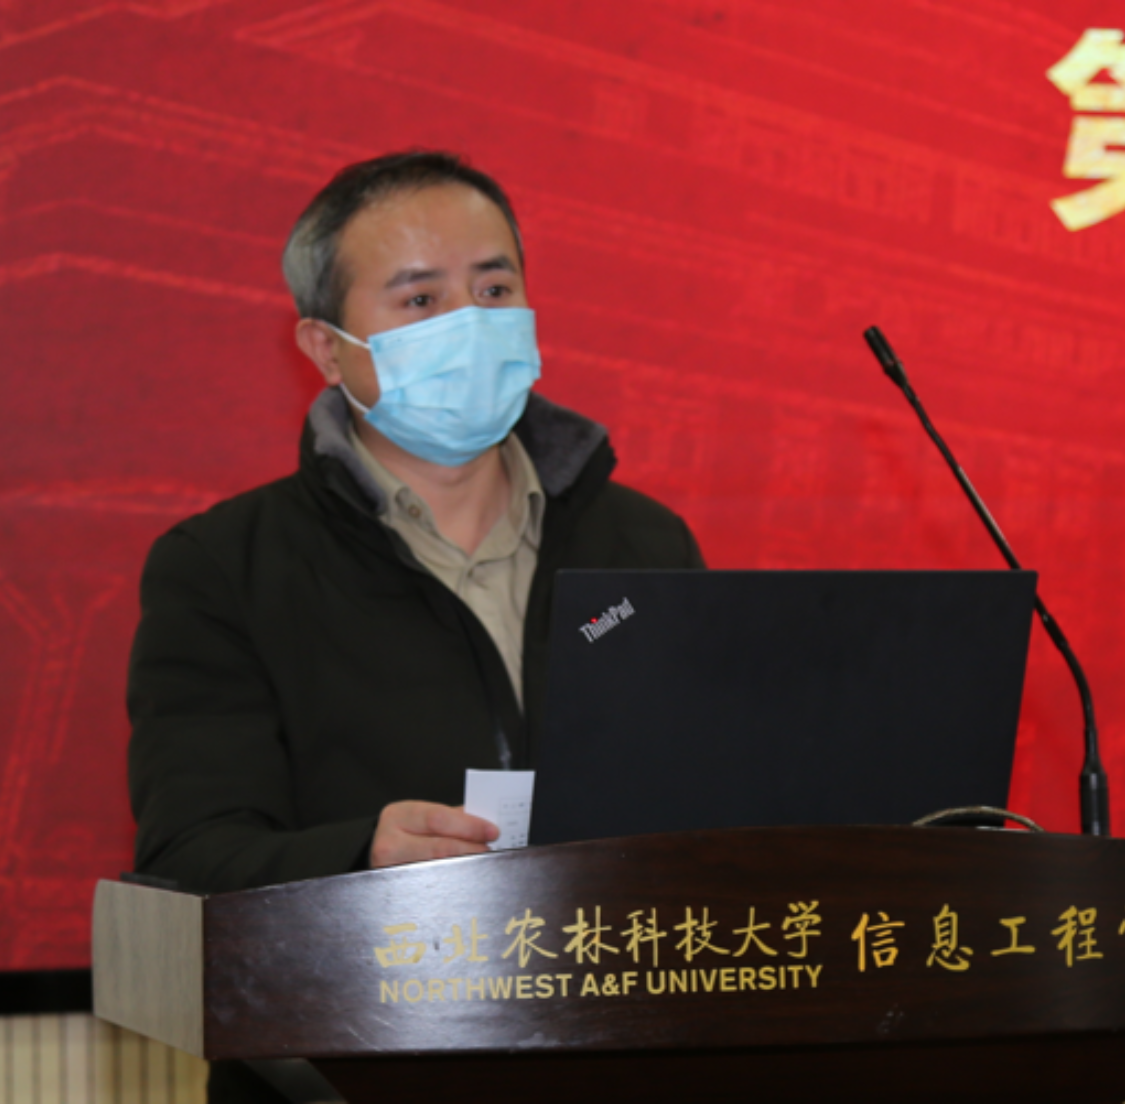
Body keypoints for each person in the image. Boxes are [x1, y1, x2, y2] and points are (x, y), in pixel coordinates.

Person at [126, 151, 704, 906]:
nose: (470, 324)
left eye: (493, 290)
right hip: (377, 972)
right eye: (422, 300)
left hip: (624, 963)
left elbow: (713, 792)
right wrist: (361, 857)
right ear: (327, 348)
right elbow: (190, 855)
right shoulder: (225, 570)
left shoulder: (645, 543)